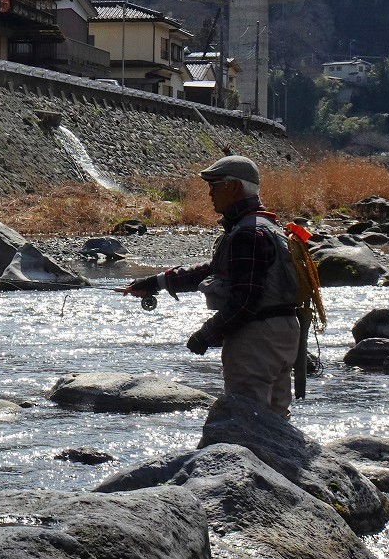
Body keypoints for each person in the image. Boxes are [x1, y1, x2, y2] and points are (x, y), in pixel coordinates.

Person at [118, 155, 301, 417]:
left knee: (247, 419)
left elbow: (246, 300)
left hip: (256, 338)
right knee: (276, 417)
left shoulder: (248, 234)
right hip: (284, 333)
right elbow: (213, 270)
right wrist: (156, 282)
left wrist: (206, 334)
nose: (210, 193)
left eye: (215, 185)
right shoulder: (267, 226)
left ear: (235, 187)